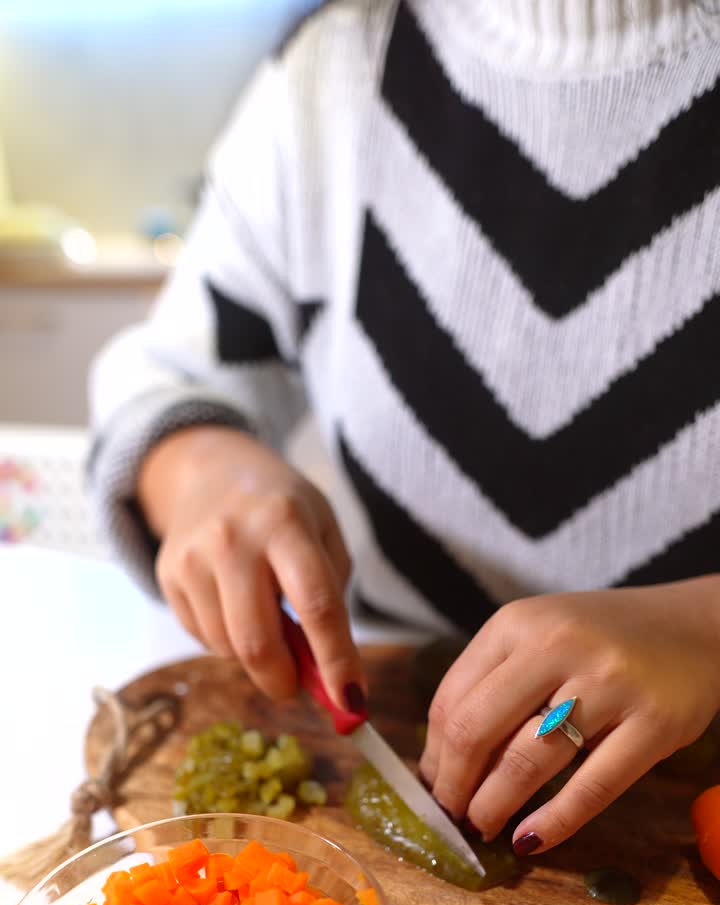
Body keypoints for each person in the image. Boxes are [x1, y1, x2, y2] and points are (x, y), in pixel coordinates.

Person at [89, 0, 720, 860]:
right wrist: (202, 468)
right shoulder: (335, 71)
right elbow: (170, 370)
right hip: (383, 686)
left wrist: (704, 626)